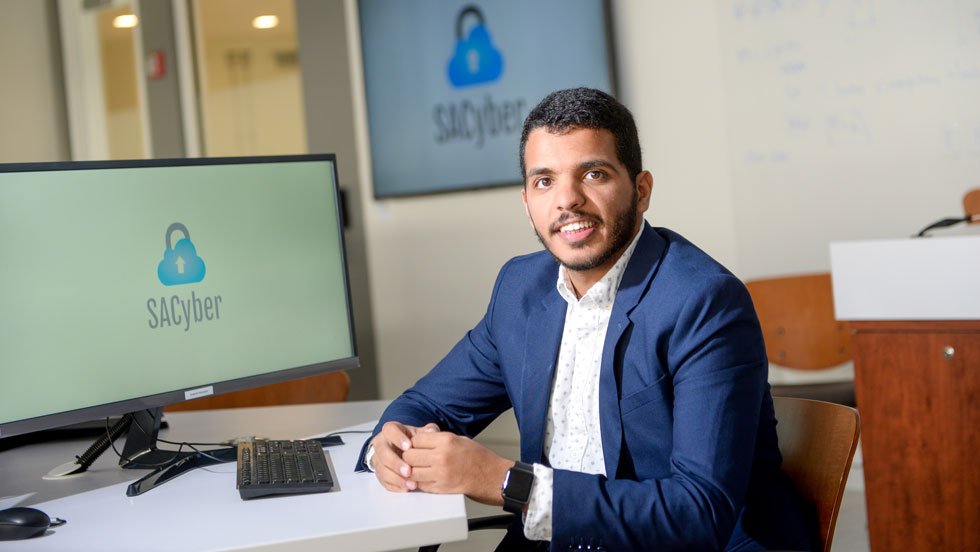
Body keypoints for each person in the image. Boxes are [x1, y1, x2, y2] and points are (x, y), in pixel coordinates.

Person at [356, 88, 813, 551]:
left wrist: (507, 483)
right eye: (544, 181)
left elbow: (700, 511)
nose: (567, 200)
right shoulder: (520, 289)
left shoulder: (705, 301)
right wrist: (387, 451)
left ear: (642, 190)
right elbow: (427, 407)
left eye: (593, 174)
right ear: (526, 201)